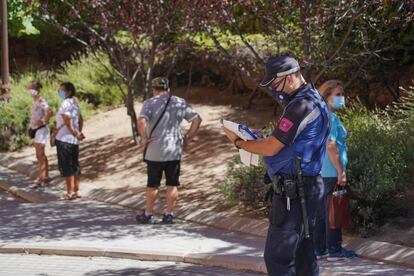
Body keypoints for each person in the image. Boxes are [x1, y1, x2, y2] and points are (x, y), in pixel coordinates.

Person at [222, 56, 329, 276]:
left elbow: (271, 148)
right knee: (304, 257)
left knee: (278, 258)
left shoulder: (300, 105)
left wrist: (239, 142)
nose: (273, 89)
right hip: (308, 189)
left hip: (294, 194)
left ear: (289, 78)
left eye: (274, 84)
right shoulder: (314, 99)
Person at [136, 77, 202, 224]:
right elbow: (197, 119)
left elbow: (141, 120)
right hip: (174, 150)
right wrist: (188, 137)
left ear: (154, 89)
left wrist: (144, 137)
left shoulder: (149, 103)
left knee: (152, 184)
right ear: (168, 89)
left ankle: (148, 213)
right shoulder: (180, 102)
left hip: (155, 150)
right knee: (172, 184)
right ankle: (169, 214)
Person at [314, 80, 357, 261]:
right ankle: (335, 250)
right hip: (331, 171)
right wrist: (341, 171)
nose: (342, 98)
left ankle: (320, 250)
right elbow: (331, 146)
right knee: (334, 210)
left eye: (342, 94)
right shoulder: (330, 117)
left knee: (322, 214)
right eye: (337, 95)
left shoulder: (320, 115)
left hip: (320, 172)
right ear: (327, 97)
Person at [55, 82, 85, 200]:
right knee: (75, 164)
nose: (60, 92)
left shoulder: (65, 103)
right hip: (73, 140)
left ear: (69, 91)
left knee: (66, 165)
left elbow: (66, 120)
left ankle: (70, 192)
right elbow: (80, 119)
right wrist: (78, 132)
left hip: (64, 139)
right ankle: (76, 190)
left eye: (62, 90)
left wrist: (75, 133)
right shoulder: (74, 103)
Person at [28, 81, 53, 188]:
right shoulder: (35, 100)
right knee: (40, 154)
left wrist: (43, 121)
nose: (29, 90)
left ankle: (41, 178)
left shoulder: (41, 100)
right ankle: (45, 176)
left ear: (36, 88)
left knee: (40, 155)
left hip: (41, 130)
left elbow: (50, 111)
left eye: (31, 87)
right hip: (37, 130)